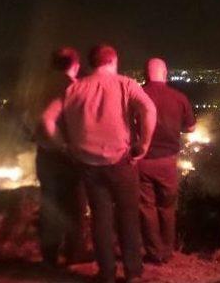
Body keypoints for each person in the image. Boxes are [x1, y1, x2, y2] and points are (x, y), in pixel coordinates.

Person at [42, 44, 156, 283]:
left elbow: (47, 119)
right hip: (121, 161)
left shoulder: (74, 89)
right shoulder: (126, 84)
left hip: (88, 164)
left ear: (91, 63)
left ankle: (107, 274)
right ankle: (132, 271)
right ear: (113, 60)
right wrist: (144, 144)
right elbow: (148, 108)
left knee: (100, 218)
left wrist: (63, 144)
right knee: (128, 217)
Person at [34, 47, 89, 266]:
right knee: (75, 204)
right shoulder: (74, 88)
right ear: (74, 65)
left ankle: (49, 254)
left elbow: (24, 116)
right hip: (69, 154)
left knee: (49, 203)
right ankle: (73, 252)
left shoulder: (37, 88)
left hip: (44, 154)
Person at [139, 58, 195, 264]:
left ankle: (154, 252)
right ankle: (167, 251)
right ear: (165, 74)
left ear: (145, 74)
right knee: (167, 207)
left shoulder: (136, 95)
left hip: (142, 160)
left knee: (146, 207)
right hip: (167, 162)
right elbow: (190, 127)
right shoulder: (178, 98)